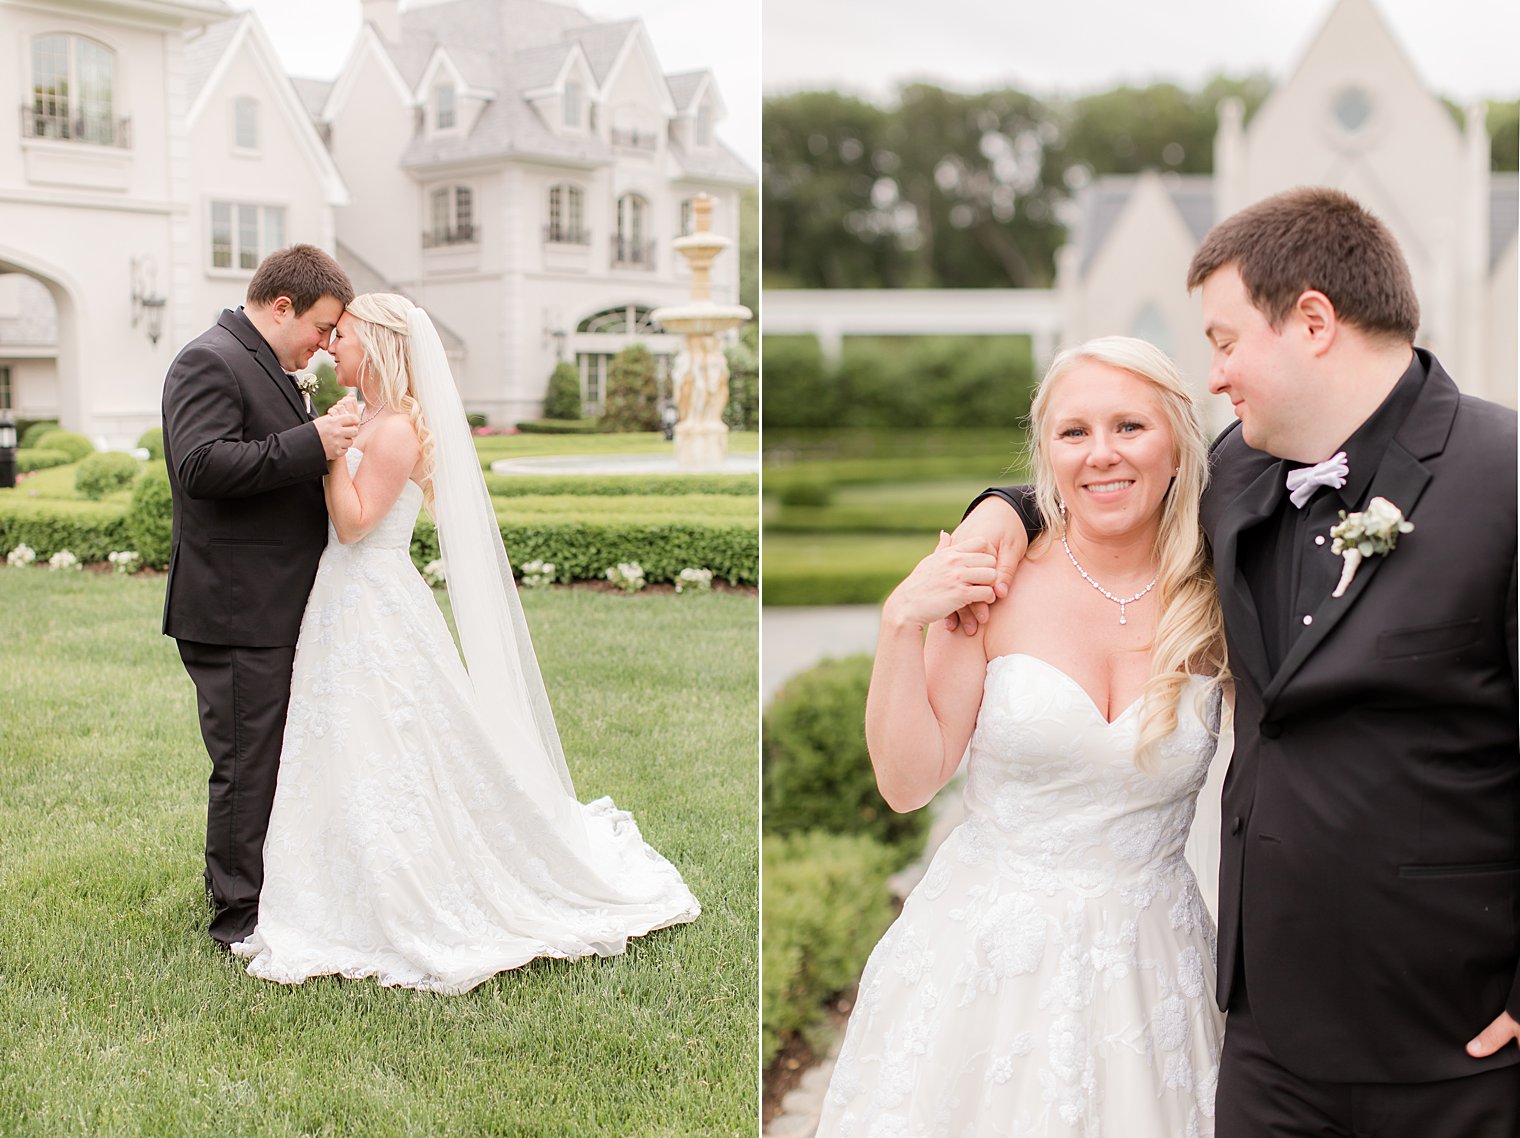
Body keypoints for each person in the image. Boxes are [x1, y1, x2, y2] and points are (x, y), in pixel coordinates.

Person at [955, 188, 1520, 1136]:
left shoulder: (1505, 475)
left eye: (1223, 340)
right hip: (1265, 1041)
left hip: (1455, 1039)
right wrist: (1001, 510)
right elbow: (1108, 480)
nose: (1215, 376)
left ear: (1312, 321)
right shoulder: (1242, 473)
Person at [815, 337, 1229, 1136]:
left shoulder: (1216, 599)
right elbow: (908, 784)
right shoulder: (992, 582)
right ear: (1045, 454)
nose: (1101, 454)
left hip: (1152, 966)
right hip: (984, 961)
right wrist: (902, 623)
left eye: (1129, 427)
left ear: (1177, 441)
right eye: (1073, 433)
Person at [230, 293, 699, 993]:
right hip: (341, 599)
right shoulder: (370, 417)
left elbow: (356, 524)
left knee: (387, 739)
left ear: (382, 347)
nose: (333, 348)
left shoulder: (393, 431)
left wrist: (326, 449)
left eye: (346, 337)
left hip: (373, 598)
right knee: (343, 738)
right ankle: (332, 875)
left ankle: (410, 883)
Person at [161, 245, 357, 949]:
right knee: (247, 762)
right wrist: (313, 442)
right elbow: (201, 465)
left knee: (270, 755)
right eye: (323, 327)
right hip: (235, 607)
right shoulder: (208, 359)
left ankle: (270, 891)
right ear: (282, 307)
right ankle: (237, 919)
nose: (326, 345)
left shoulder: (269, 365)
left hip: (271, 601)